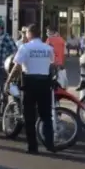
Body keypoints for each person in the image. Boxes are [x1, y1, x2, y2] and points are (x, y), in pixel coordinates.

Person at [6, 24, 55, 154]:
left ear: (30, 34)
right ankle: (50, 144)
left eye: (26, 33)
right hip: (44, 83)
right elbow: (52, 65)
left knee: (29, 117)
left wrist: (8, 81)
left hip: (30, 83)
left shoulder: (25, 47)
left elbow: (16, 67)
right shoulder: (48, 48)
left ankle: (32, 147)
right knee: (46, 116)